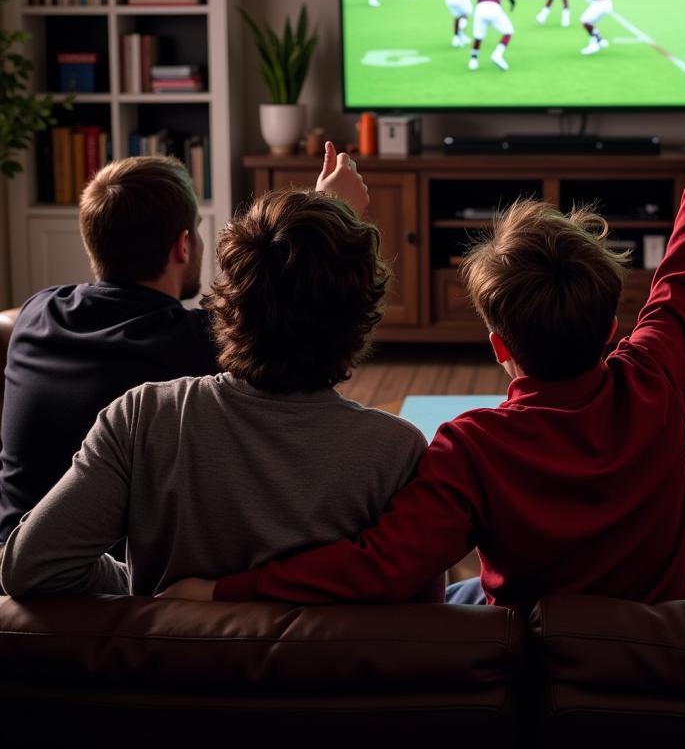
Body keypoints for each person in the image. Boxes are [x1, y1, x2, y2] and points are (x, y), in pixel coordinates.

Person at [160, 44, 685, 609]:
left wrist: (222, 591)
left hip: (537, 673)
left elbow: (378, 566)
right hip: (669, 658)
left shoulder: (472, 448)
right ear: (612, 326)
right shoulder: (654, 380)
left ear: (498, 343)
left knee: (463, 595)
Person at [0, 144, 440, 600]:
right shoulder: (399, 451)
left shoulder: (132, 406)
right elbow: (424, 617)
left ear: (234, 304)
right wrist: (329, 219)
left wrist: (143, 592)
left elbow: (29, 567)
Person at [0, 156, 218, 543]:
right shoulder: (199, 342)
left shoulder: (37, 314)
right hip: (112, 582)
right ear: (183, 245)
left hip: (11, 561)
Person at [468, 0, 517, 72]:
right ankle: (497, 54)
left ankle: (473, 60)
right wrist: (512, 1)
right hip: (494, 7)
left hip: (480, 8)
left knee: (478, 36)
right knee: (508, 31)